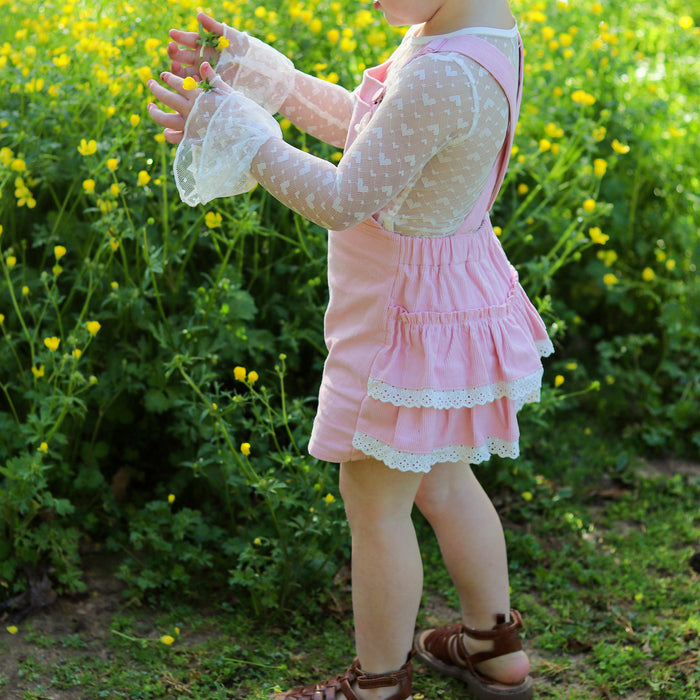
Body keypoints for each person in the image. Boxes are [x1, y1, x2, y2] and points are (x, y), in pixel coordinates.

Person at [147, 1, 553, 698]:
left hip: (401, 320)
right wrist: (264, 78)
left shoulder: (442, 70)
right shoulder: (470, 28)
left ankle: (377, 684)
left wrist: (244, 138)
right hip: (446, 299)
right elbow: (378, 138)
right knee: (444, 482)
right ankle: (494, 645)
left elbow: (345, 197)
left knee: (373, 501)